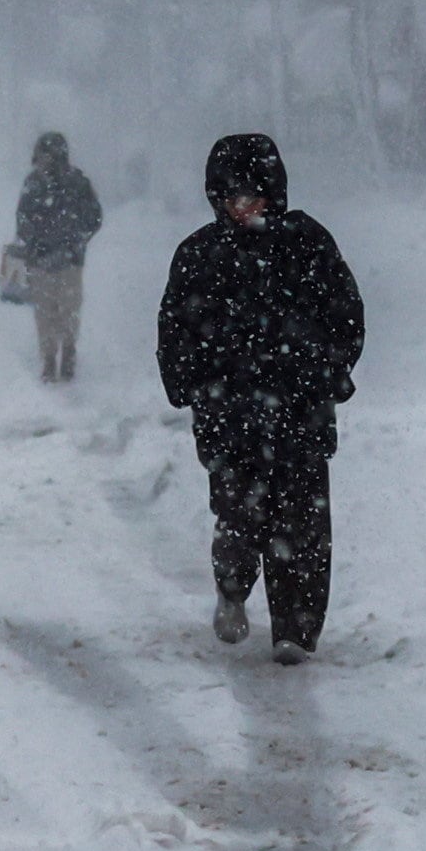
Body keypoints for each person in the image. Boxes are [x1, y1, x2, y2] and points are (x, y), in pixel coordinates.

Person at [154, 133, 362, 662]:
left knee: (303, 524)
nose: (243, 207)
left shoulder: (307, 243)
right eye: (231, 196)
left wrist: (331, 371)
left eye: (253, 195)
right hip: (229, 419)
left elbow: (346, 312)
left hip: (300, 413)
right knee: (241, 517)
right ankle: (232, 586)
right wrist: (190, 385)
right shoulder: (200, 255)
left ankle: (296, 627)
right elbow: (175, 329)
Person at [11, 130, 104, 383]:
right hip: (45, 261)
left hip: (67, 261)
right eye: (41, 155)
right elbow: (23, 219)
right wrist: (35, 243)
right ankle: (51, 359)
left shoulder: (76, 182)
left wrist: (76, 241)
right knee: (47, 312)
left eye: (47, 155)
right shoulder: (35, 183)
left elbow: (94, 217)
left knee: (65, 309)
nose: (43, 160)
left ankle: (68, 353)